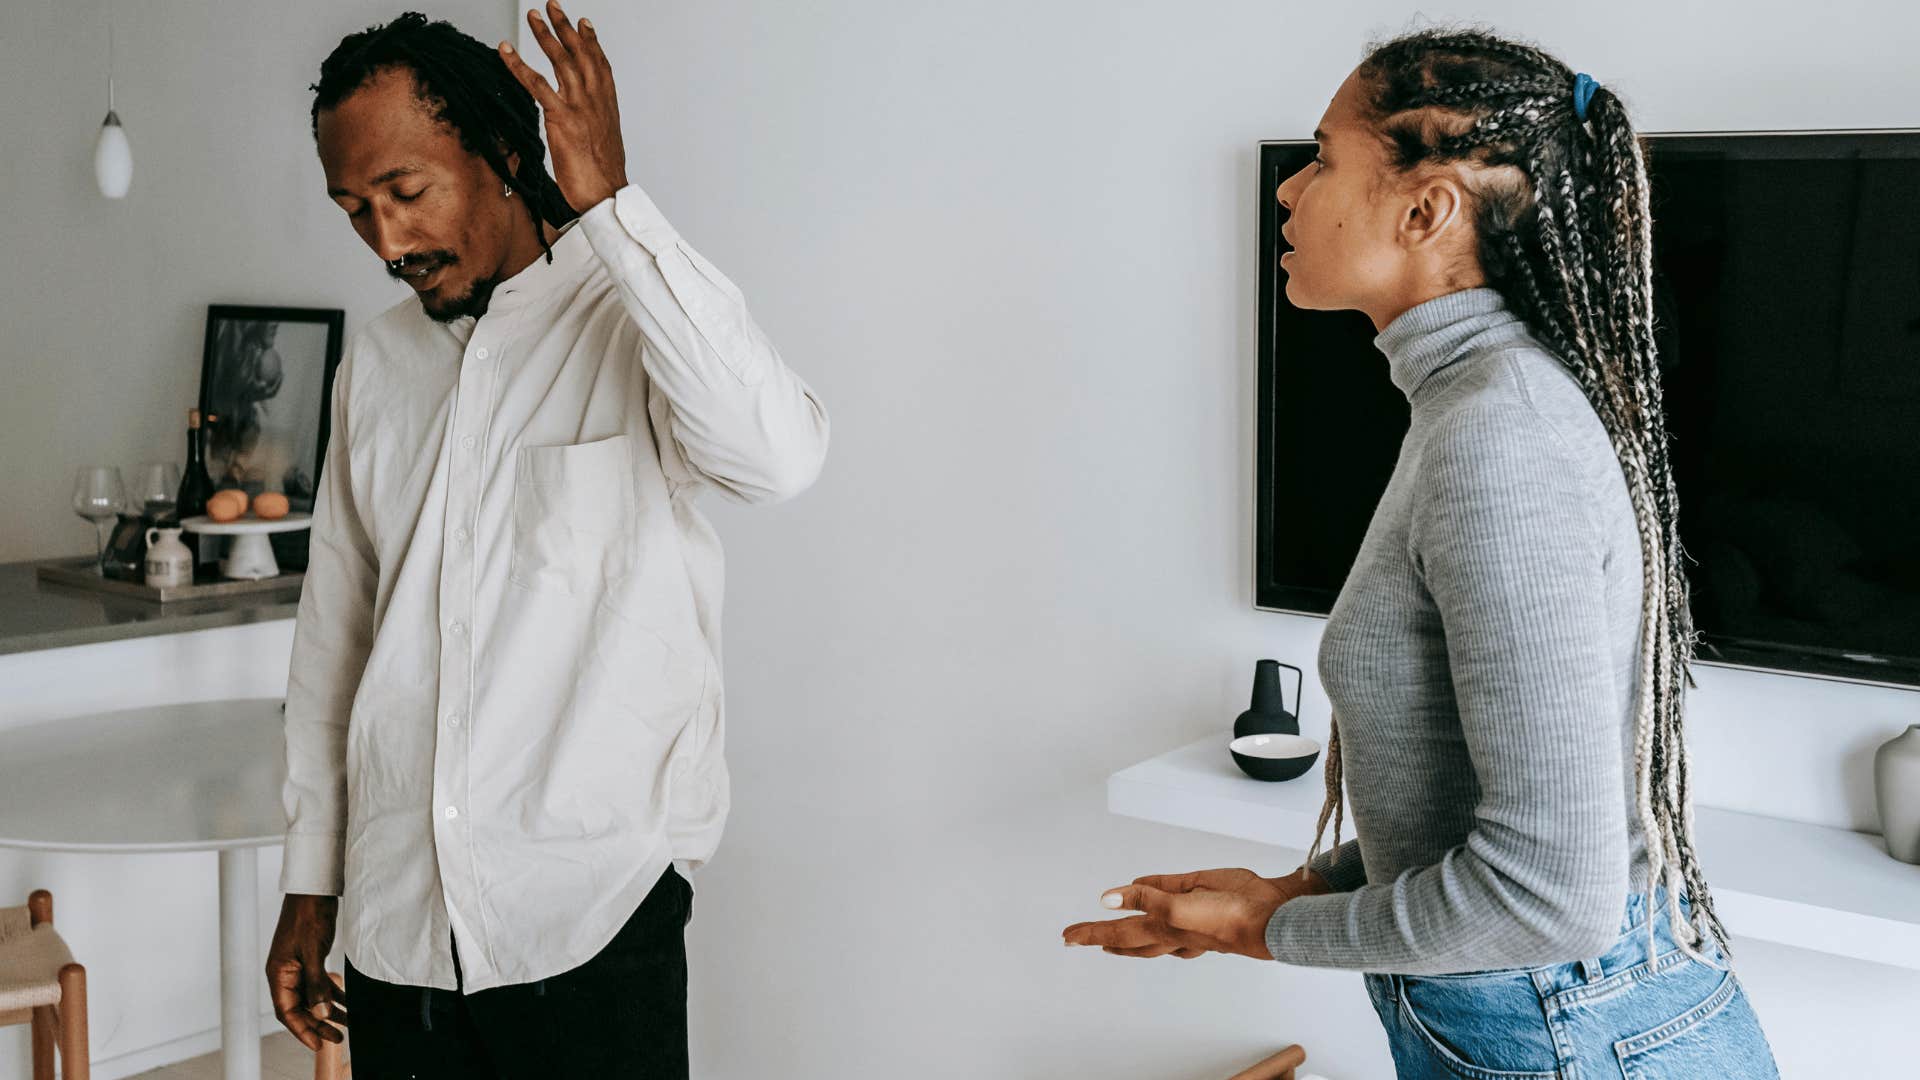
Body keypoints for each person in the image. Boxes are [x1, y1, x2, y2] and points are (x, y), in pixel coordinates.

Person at [1062, 28, 1780, 1079]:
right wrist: (1294, 892)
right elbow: (1486, 829)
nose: (1290, 192)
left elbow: (1548, 896)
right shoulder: (1479, 407)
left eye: (1321, 158)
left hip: (1568, 1036)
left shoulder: (1503, 435)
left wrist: (1259, 933)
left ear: (1426, 207)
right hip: (1555, 1019)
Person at [263, 5, 828, 1076]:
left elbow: (779, 460)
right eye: (354, 208)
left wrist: (613, 205)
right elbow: (336, 637)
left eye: (406, 193)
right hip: (398, 935)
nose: (386, 241)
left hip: (591, 924)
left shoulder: (633, 322)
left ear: (503, 158)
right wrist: (311, 875)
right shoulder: (376, 371)